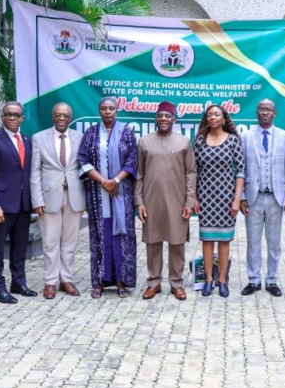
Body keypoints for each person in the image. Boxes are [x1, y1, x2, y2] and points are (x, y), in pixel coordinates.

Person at [136, 102, 196, 301]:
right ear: (155, 118)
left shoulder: (183, 142)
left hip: (177, 200)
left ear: (174, 119)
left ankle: (176, 283)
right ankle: (154, 283)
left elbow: (191, 173)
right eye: (160, 115)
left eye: (167, 116)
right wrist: (139, 201)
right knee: (152, 242)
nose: (163, 118)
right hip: (151, 200)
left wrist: (189, 201)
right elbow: (139, 174)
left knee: (177, 242)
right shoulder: (144, 142)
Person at [78, 96, 138, 299]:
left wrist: (116, 181)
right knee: (99, 235)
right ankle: (99, 281)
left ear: (116, 110)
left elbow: (132, 160)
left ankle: (121, 280)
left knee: (121, 236)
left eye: (111, 108)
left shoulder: (127, 132)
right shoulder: (91, 133)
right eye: (103, 108)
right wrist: (105, 182)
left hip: (121, 193)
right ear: (99, 111)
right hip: (98, 193)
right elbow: (83, 160)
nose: (107, 112)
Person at [0, 101, 37, 304]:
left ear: (22, 118)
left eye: (16, 115)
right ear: (2, 117)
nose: (12, 118)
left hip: (23, 205)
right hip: (1, 206)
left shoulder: (27, 140)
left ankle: (18, 283)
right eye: (8, 114)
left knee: (19, 247)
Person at [240, 99, 285, 298]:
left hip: (275, 197)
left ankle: (272, 280)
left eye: (268, 110)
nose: (264, 112)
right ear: (256, 112)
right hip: (253, 197)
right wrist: (242, 196)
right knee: (253, 242)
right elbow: (241, 168)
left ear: (275, 113)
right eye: (261, 109)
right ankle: (253, 280)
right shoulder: (245, 137)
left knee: (274, 242)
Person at [31, 103, 86, 299]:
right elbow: (35, 171)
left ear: (70, 118)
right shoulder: (39, 138)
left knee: (70, 242)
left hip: (74, 196)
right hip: (48, 198)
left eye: (65, 115)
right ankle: (50, 281)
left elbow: (85, 167)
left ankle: (67, 279)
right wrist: (37, 200)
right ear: (52, 116)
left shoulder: (80, 137)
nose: (61, 118)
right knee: (50, 242)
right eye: (58, 115)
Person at [194, 104, 245, 298]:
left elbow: (240, 171)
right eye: (209, 115)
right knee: (207, 240)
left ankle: (222, 280)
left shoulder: (233, 140)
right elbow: (193, 171)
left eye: (216, 114)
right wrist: (194, 198)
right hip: (205, 198)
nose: (213, 117)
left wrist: (237, 199)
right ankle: (208, 280)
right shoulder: (199, 141)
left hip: (226, 198)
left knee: (224, 241)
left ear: (224, 118)